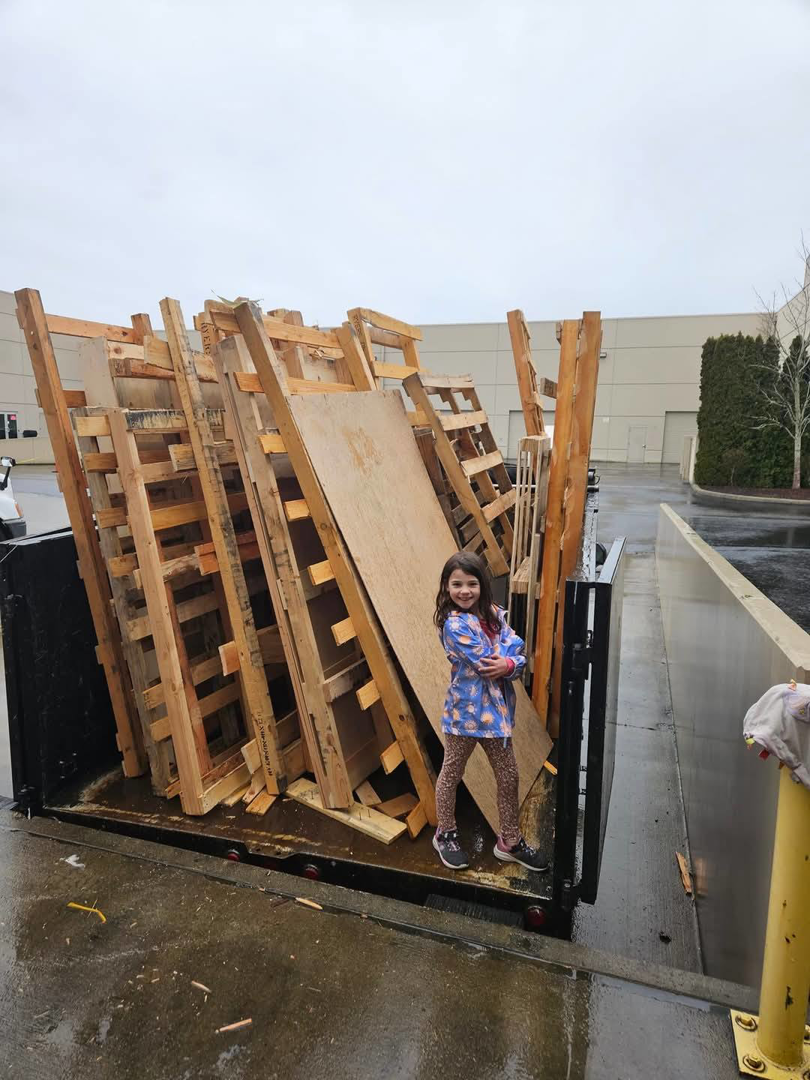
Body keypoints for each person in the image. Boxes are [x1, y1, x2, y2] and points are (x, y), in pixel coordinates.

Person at [432, 551, 550, 873]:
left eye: (472, 583)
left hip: (496, 717)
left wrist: (510, 663)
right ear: (446, 587)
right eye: (457, 584)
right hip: (464, 716)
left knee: (509, 776)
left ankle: (509, 841)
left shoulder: (494, 614)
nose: (464, 591)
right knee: (452, 773)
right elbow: (485, 662)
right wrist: (509, 660)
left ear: (482, 585)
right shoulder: (454, 625)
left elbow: (517, 647)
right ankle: (445, 833)